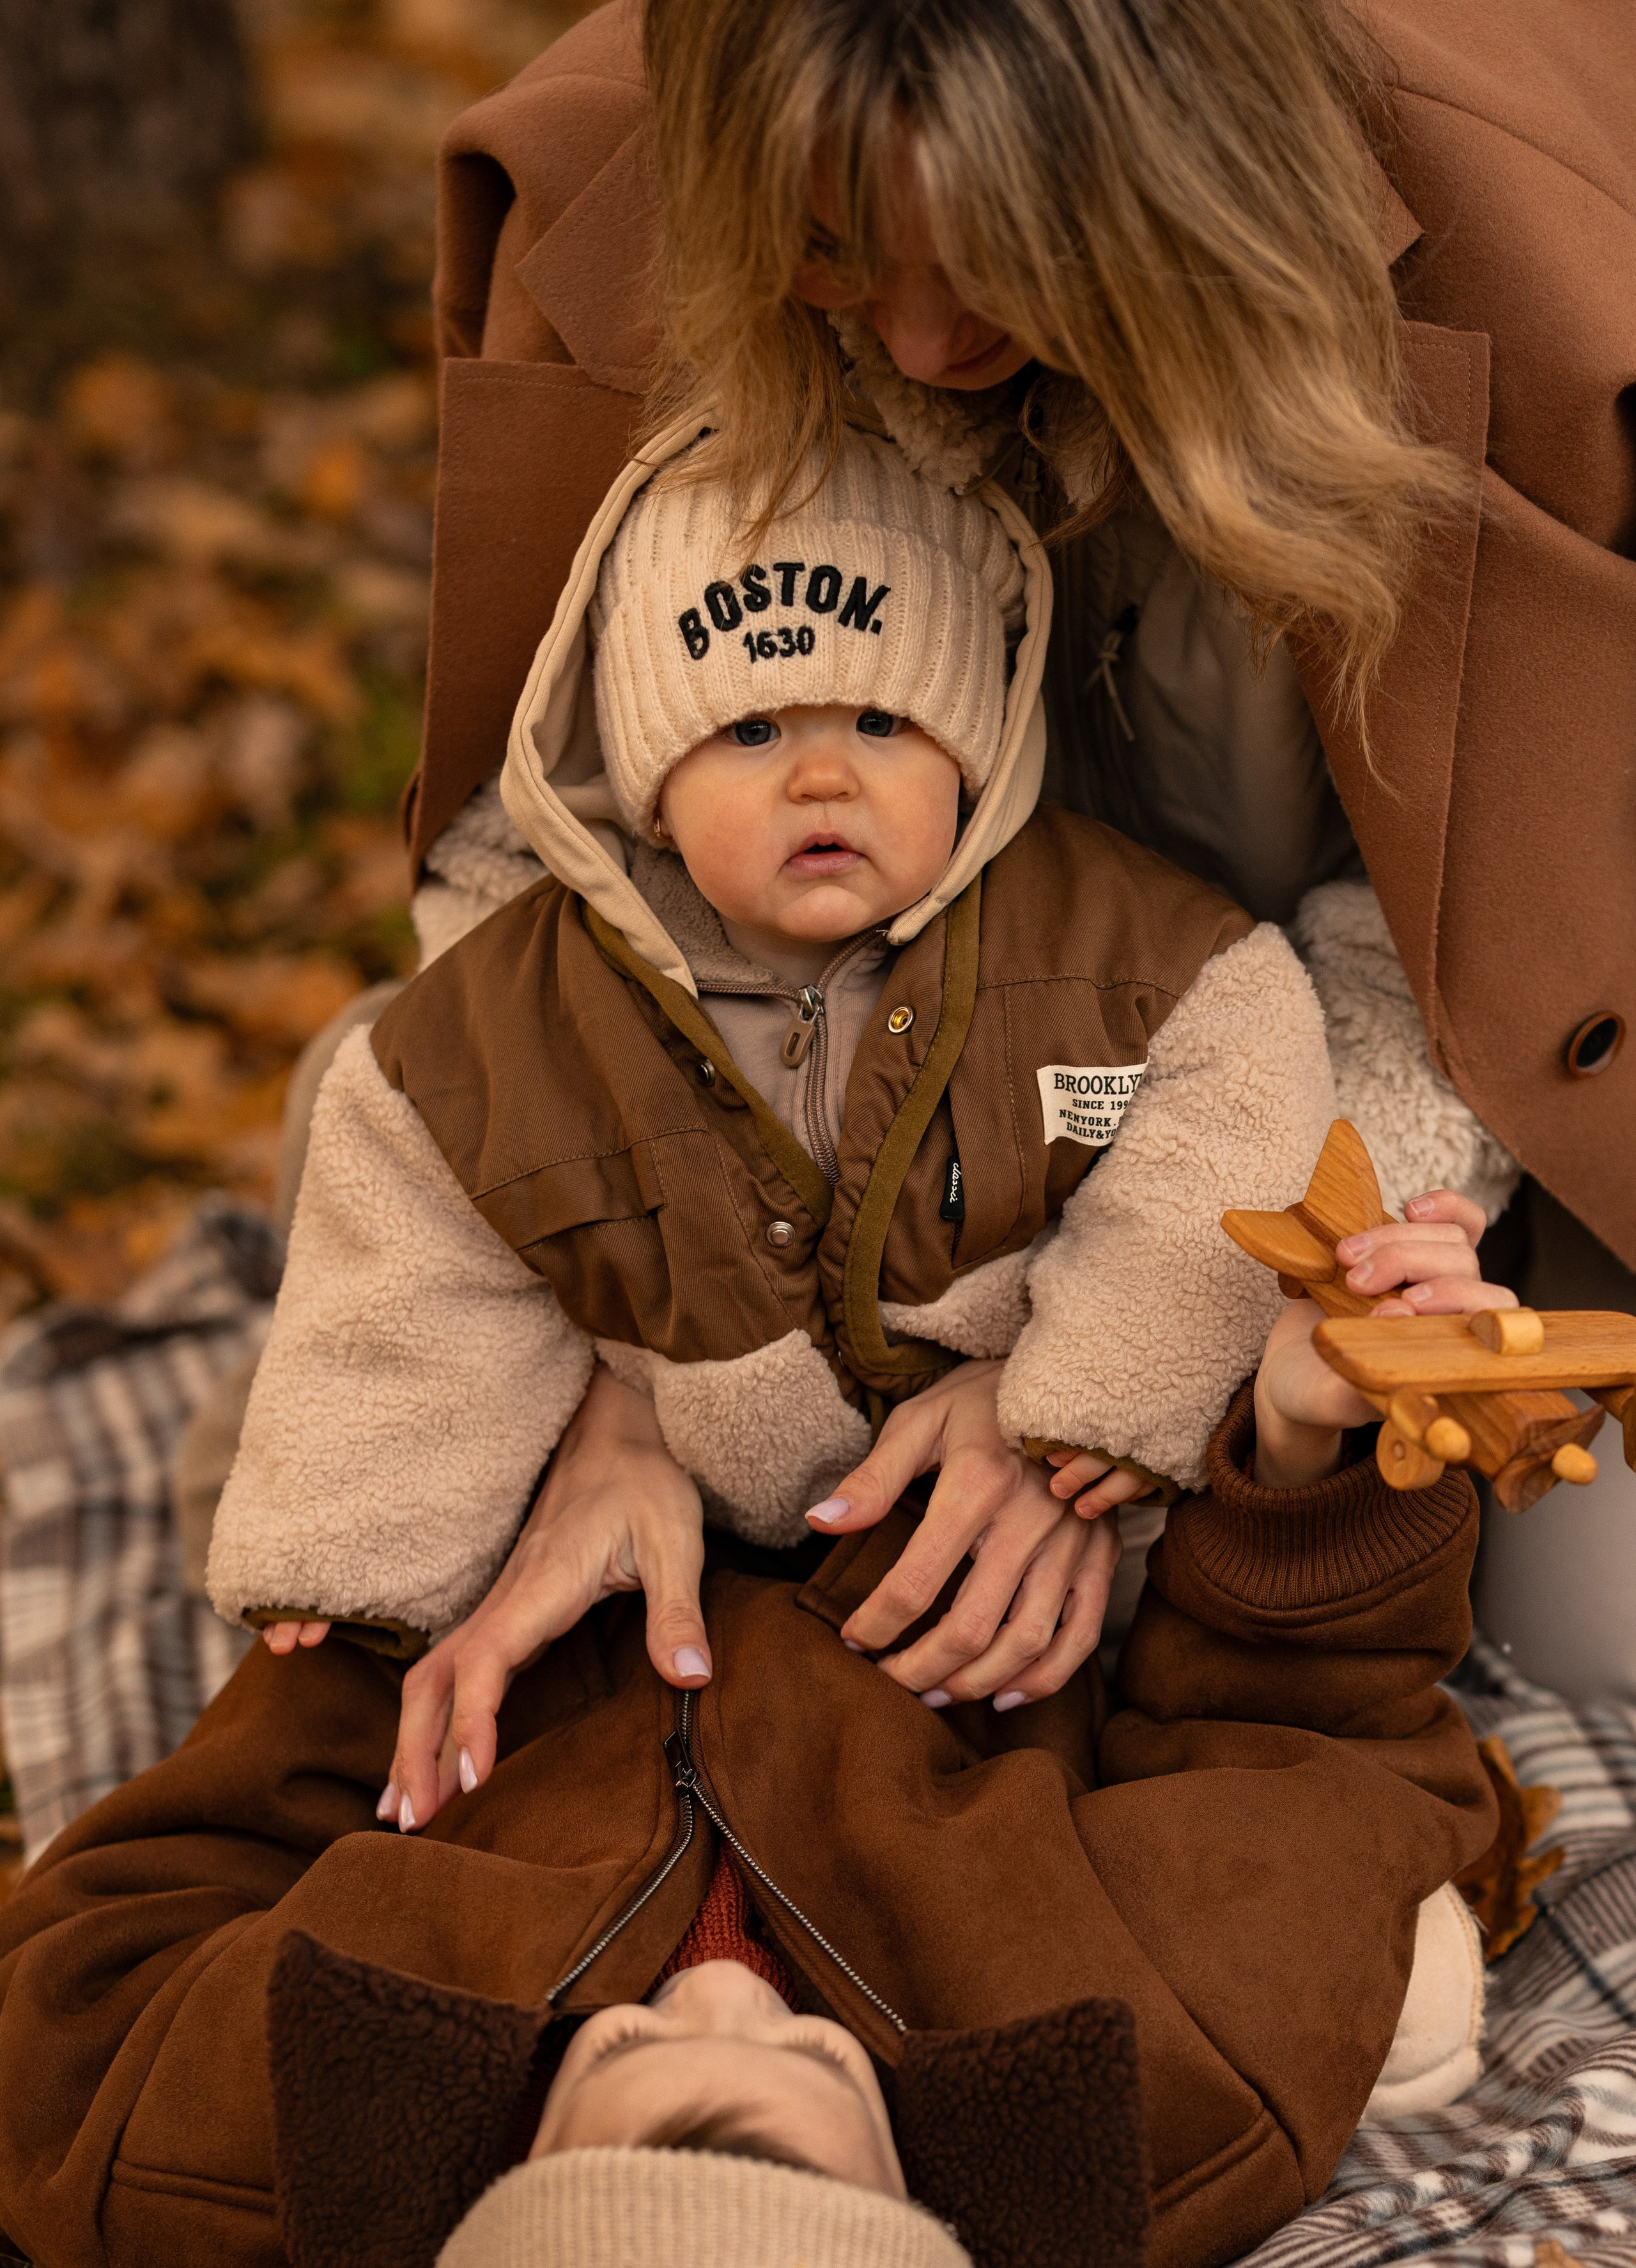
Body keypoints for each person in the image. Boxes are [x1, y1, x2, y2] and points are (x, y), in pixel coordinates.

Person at [411, 0, 1636, 1697]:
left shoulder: (1540, 270)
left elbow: (1507, 908)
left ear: (1179, 186)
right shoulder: (600, 196)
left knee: (1591, 1643)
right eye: (834, 257)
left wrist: (1124, 1371)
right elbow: (545, 859)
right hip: (889, 1098)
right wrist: (633, 1369)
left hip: (1412, 1044)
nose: (916, 344)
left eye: (999, 263)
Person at [201, 423, 1503, 1810]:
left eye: (882, 723)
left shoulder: (1120, 951)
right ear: (645, 780)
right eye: (752, 730)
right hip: (706, 1489)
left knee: (1082, 1707)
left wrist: (1097, 1406)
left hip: (1058, 1504)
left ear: (976, 751)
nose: (822, 779)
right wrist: (350, 1547)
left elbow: (1218, 1145)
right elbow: (409, 1272)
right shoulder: (522, 1015)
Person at [0, 1301, 1499, 2268]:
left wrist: (447, 1572)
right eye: (811, 2056)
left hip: (472, 1498)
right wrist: (1314, 1448)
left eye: (625, 2053)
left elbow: (117, 1924)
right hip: (935, 1422)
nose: (718, 1991)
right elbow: (1303, 1744)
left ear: (497, 2211)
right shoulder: (1154, 2078)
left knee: (274, 1403)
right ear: (922, 2221)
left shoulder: (237, 2144)